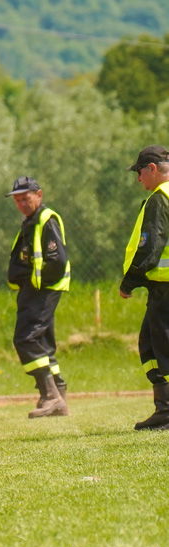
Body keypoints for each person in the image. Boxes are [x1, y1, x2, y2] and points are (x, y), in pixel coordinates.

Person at [6, 176, 71, 418]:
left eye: (26, 198)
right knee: (41, 341)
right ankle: (58, 396)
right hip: (34, 291)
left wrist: (39, 285)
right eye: (17, 200)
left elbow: (57, 260)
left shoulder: (45, 219)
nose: (22, 203)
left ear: (39, 195)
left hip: (42, 291)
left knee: (26, 338)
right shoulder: (30, 221)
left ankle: (51, 396)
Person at [121, 145, 169, 431]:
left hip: (165, 287)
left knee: (160, 347)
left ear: (151, 168)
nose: (138, 179)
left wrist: (130, 280)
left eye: (139, 172)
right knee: (150, 345)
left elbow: (151, 245)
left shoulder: (160, 199)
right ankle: (163, 408)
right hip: (162, 288)